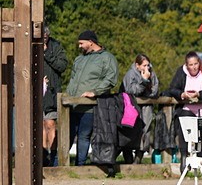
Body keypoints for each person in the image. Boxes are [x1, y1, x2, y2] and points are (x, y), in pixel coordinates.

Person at [65, 29, 119, 166]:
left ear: (90, 42)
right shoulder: (79, 59)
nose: (79, 46)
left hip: (89, 106)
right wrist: (67, 95)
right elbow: (73, 80)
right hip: (72, 104)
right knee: (66, 136)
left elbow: (111, 79)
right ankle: (59, 165)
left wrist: (95, 92)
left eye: (81, 43)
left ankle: (80, 166)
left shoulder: (107, 58)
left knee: (84, 136)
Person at [167, 51, 202, 160]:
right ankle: (184, 158)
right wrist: (182, 94)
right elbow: (172, 89)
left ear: (199, 63)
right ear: (187, 65)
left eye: (196, 64)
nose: (194, 67)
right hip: (186, 108)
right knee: (185, 133)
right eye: (191, 65)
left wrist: (199, 94)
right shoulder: (181, 72)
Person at [121, 54, 160, 163]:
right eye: (144, 65)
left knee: (145, 132)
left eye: (148, 65)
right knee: (130, 132)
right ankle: (128, 162)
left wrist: (146, 92)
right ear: (137, 65)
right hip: (131, 107)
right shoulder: (130, 74)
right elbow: (132, 91)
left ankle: (137, 161)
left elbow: (155, 91)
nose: (146, 68)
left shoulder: (152, 74)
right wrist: (144, 81)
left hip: (146, 107)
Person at [41, 24, 69, 166]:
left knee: (50, 124)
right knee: (40, 125)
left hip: (51, 93)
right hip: (36, 91)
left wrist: (46, 53)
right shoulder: (29, 45)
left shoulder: (56, 46)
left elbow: (62, 66)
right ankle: (42, 155)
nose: (44, 39)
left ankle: (53, 157)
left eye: (46, 37)